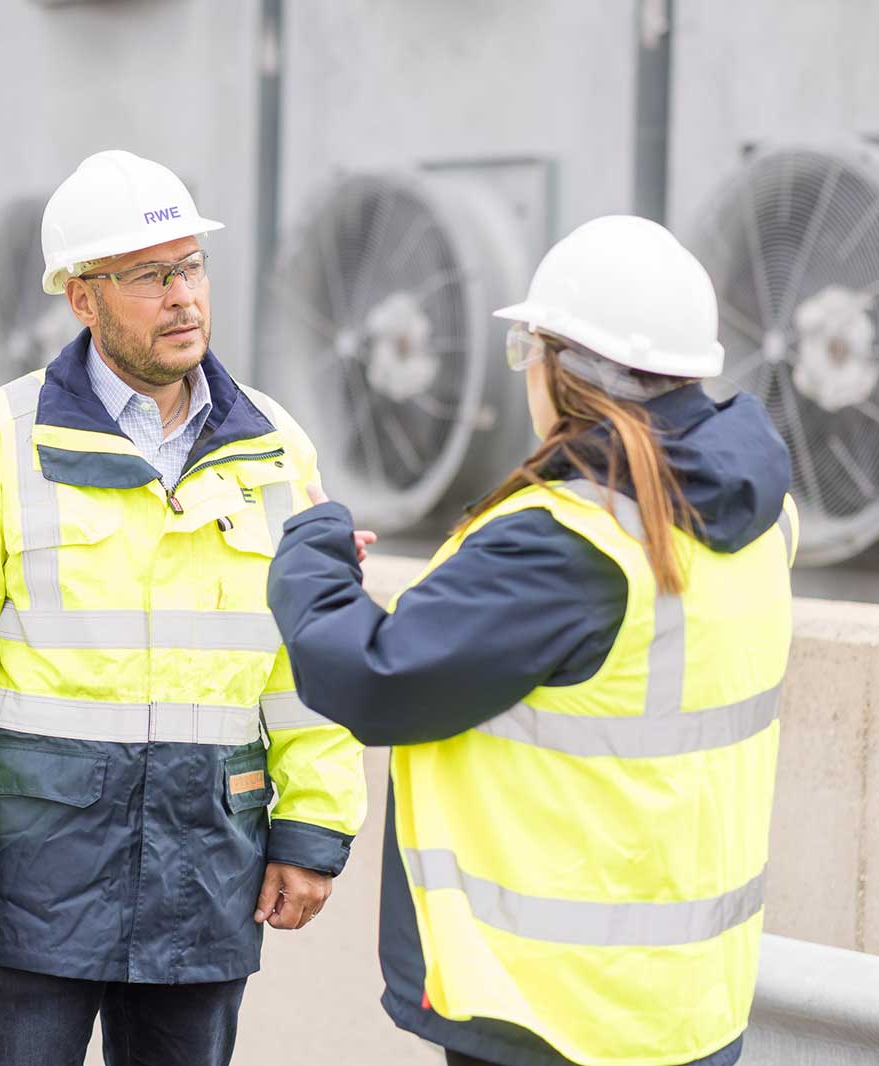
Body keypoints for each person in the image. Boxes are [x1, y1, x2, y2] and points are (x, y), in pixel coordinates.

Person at [267, 215, 795, 1066]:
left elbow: (374, 679)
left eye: (527, 352)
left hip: (554, 1013)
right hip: (687, 1006)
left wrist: (309, 555)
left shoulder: (569, 541)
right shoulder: (759, 515)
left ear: (569, 368)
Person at [0, 150, 368, 1066]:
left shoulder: (273, 447)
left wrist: (315, 826)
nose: (183, 296)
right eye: (151, 276)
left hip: (206, 864)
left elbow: (305, 662)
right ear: (83, 298)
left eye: (191, 267)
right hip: (40, 874)